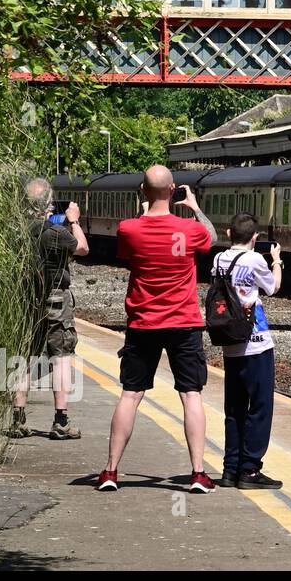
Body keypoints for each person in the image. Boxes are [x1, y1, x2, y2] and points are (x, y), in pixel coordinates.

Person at [96, 166, 216, 493]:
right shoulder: (190, 229)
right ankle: (197, 474)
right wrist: (194, 208)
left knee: (131, 395)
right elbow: (213, 238)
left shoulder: (129, 229)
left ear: (142, 190)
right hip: (184, 323)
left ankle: (110, 471)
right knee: (191, 395)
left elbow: (128, 254)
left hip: (143, 323)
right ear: (174, 189)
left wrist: (145, 205)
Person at [9, 178, 89, 440]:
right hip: (56, 300)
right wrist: (74, 221)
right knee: (61, 356)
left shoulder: (16, 234)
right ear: (50, 205)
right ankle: (61, 420)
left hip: (26, 299)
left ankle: (18, 419)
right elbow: (83, 248)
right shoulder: (56, 232)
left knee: (26, 357)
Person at [212, 213, 284, 490]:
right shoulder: (255, 259)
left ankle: (231, 469)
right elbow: (273, 287)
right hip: (256, 342)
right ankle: (251, 469)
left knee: (235, 407)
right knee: (261, 406)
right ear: (255, 238)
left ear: (229, 234)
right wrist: (276, 260)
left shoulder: (218, 259)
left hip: (230, 341)